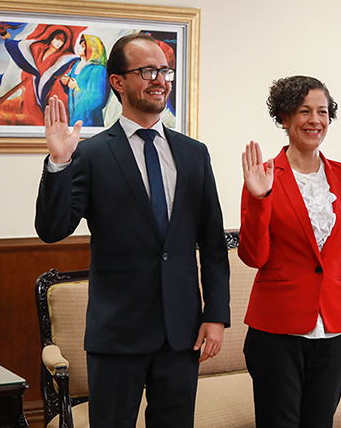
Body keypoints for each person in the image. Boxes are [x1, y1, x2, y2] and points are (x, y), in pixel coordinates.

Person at [35, 32, 230, 428]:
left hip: (182, 332)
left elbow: (212, 242)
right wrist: (58, 161)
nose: (160, 79)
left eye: (164, 70)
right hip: (117, 335)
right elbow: (53, 229)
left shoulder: (194, 153)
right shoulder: (89, 155)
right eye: (147, 71)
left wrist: (217, 314)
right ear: (118, 82)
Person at [239, 75, 341, 428]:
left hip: (332, 329)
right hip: (276, 331)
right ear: (284, 117)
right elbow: (253, 257)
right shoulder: (262, 176)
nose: (315, 120)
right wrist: (259, 199)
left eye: (323, 112)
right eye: (304, 111)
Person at [63, 34, 110, 127]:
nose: (78, 47)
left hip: (89, 121)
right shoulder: (76, 65)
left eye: (83, 46)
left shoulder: (98, 70)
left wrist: (76, 89)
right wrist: (65, 81)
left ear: (91, 49)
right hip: (73, 117)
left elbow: (97, 99)